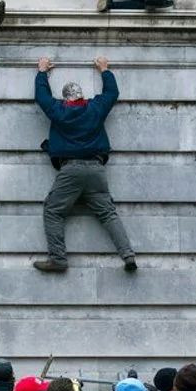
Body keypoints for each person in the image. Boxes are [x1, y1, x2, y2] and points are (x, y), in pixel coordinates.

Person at [32, 55, 135, 273]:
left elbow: (42, 97)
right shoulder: (95, 108)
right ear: (82, 96)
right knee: (108, 213)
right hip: (97, 169)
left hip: (71, 170)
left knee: (53, 210)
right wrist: (104, 70)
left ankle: (58, 259)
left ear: (66, 98)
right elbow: (112, 94)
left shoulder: (59, 111)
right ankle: (128, 255)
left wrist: (42, 72)